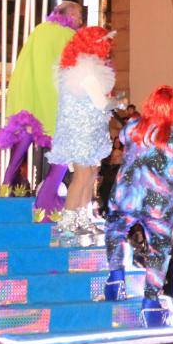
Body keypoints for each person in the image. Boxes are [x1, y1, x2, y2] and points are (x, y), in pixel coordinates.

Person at [104, 85, 173, 327]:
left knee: (116, 231)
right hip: (160, 203)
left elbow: (120, 139)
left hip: (127, 195)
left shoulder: (133, 127)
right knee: (159, 249)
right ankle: (150, 304)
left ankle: (116, 277)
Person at [0, 1, 82, 216]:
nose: (80, 20)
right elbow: (75, 70)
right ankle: (44, 205)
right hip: (56, 101)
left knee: (26, 135)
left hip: (31, 94)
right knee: (63, 153)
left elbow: (25, 64)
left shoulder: (39, 30)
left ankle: (8, 183)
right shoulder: (68, 36)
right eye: (79, 15)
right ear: (70, 15)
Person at [46, 27, 117, 234]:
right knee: (83, 174)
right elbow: (101, 102)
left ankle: (83, 219)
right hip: (81, 132)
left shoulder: (80, 67)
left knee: (91, 173)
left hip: (88, 129)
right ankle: (68, 222)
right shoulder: (85, 70)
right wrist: (119, 102)